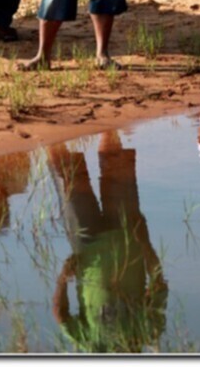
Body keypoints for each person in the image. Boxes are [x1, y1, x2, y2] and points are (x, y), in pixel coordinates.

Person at [49, 132, 168, 352]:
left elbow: (60, 315)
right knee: (116, 163)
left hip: (86, 249)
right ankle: (107, 124)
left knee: (68, 175)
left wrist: (64, 279)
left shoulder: (92, 348)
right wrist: (145, 246)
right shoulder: (148, 332)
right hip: (128, 239)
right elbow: (159, 285)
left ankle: (49, 128)